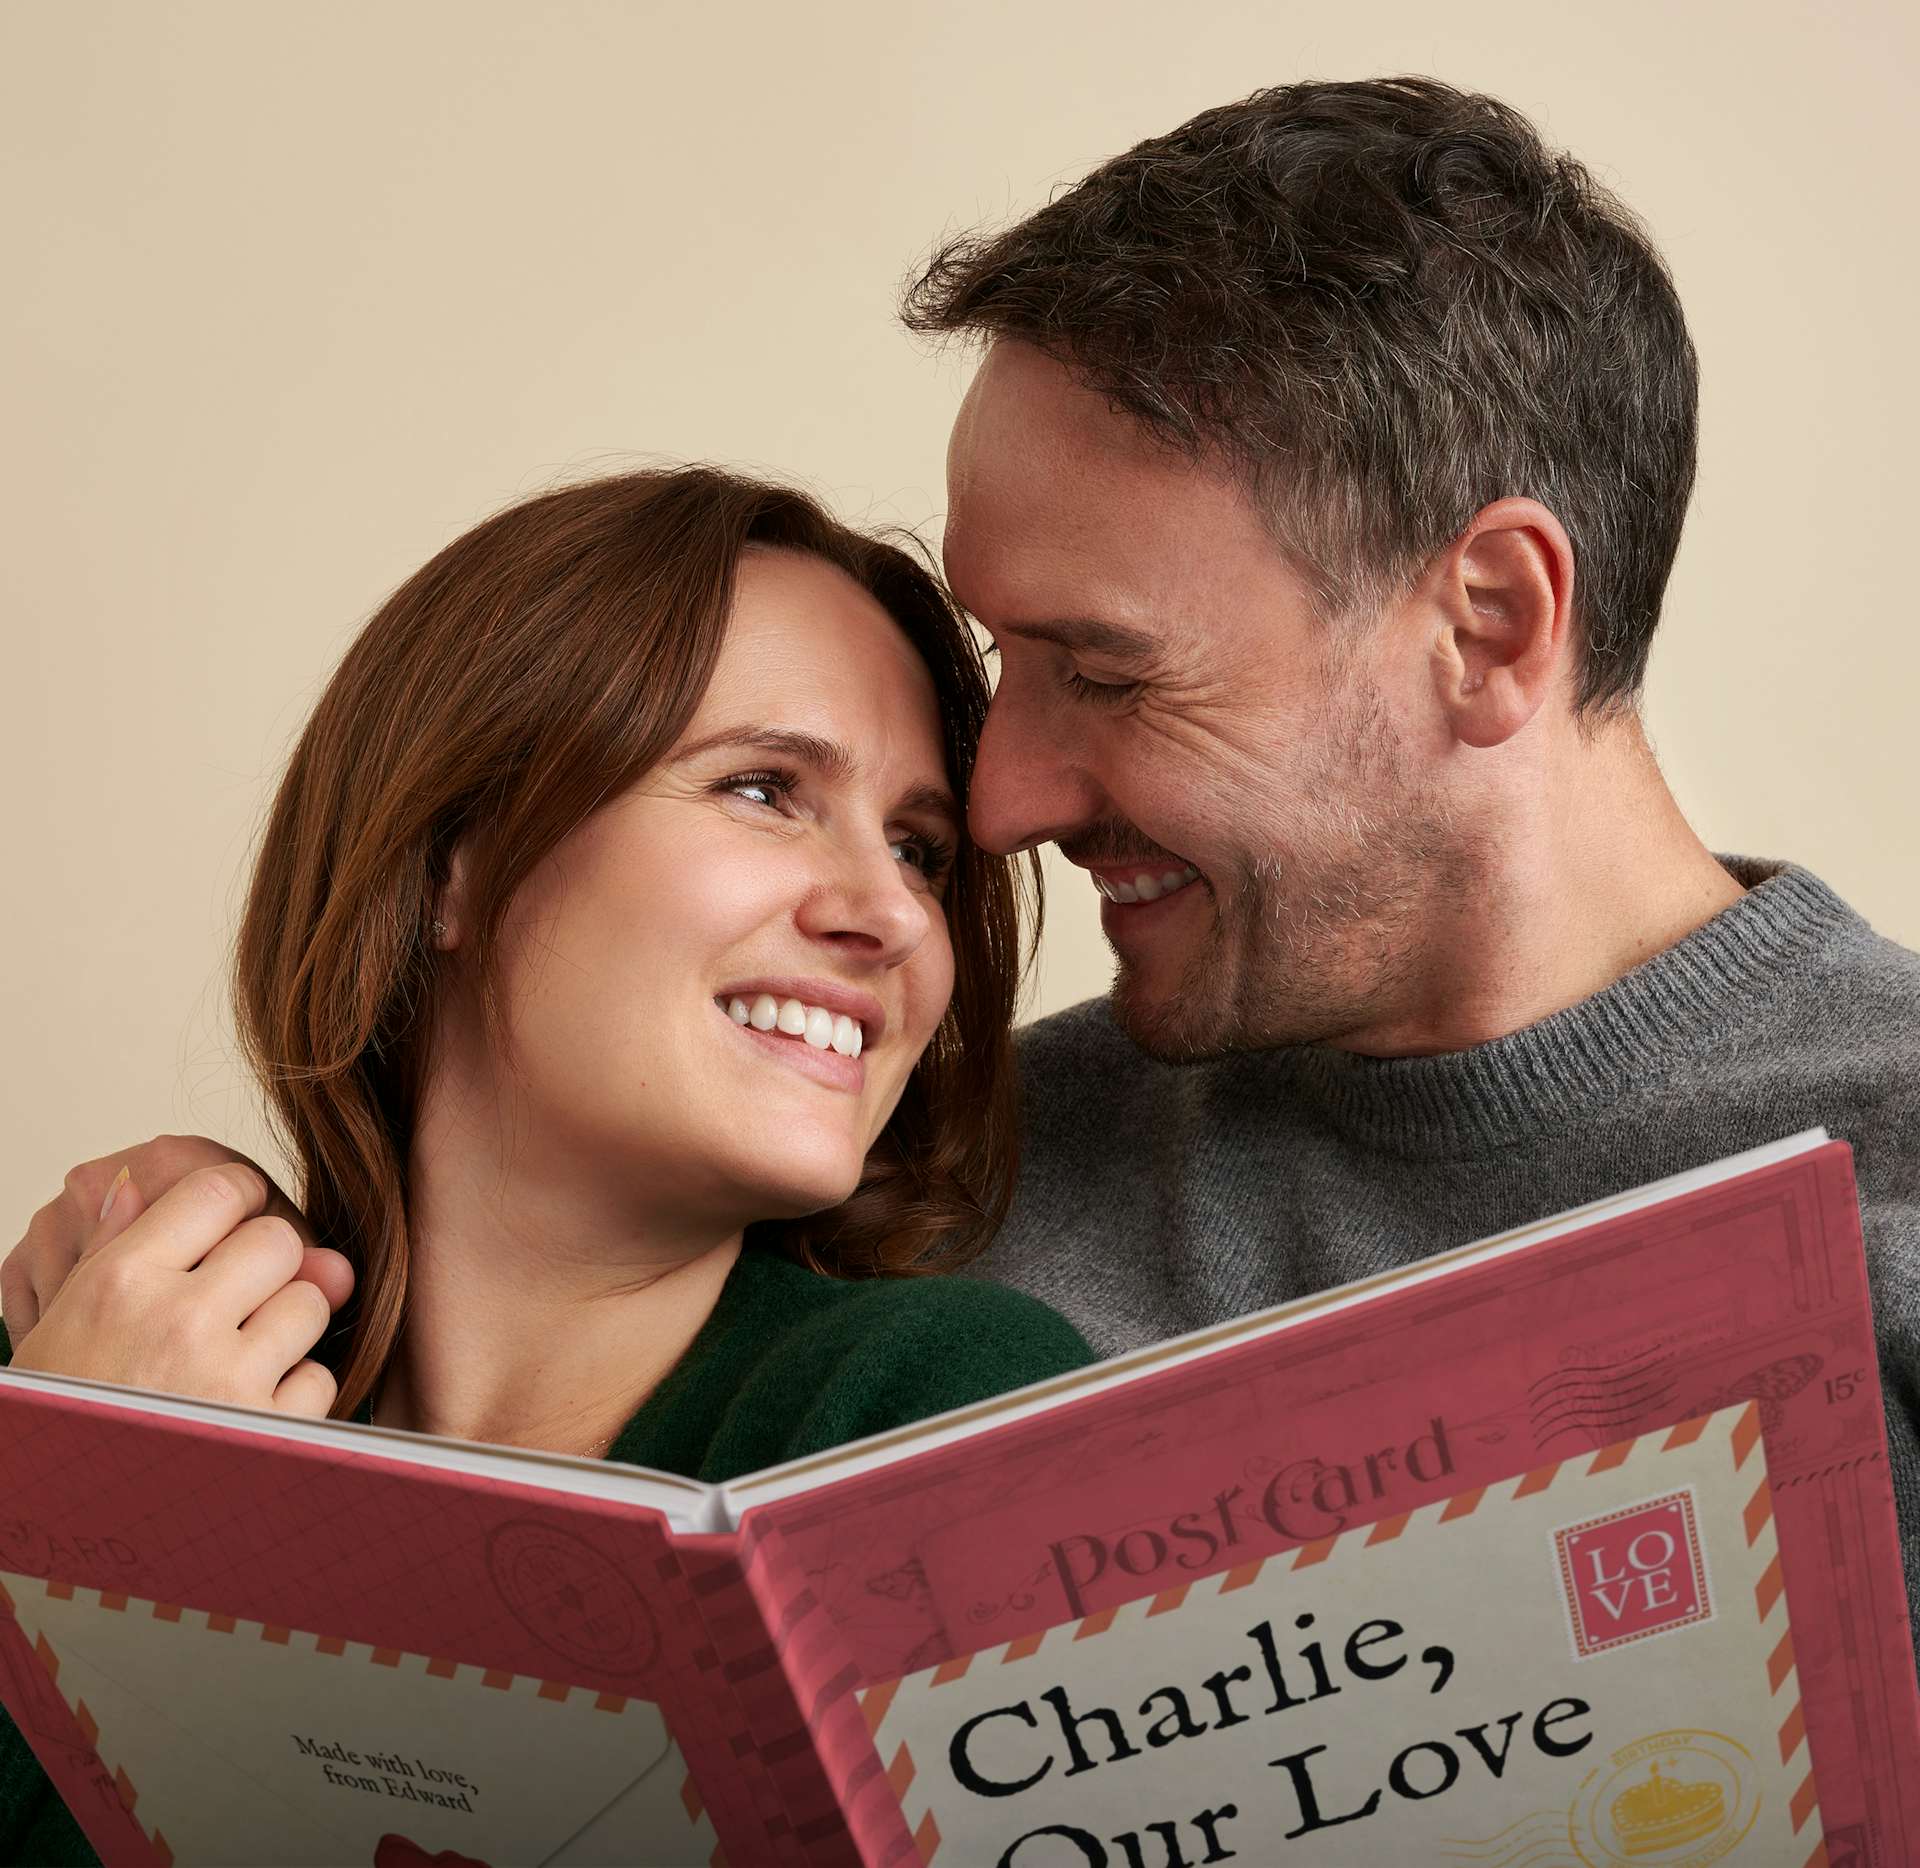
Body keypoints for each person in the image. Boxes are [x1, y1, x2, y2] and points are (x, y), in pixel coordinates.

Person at [14, 77, 1920, 1617]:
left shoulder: (1889, 1173)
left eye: (1101, 667)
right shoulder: (939, 1175)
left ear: (1492, 625)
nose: (999, 811)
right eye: (1007, 669)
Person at [0, 466, 1093, 1862]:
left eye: (923, 851)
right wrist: (66, 1524)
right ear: (452, 860)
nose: (889, 914)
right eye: (765, 789)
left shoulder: (930, 1410)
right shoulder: (83, 1362)